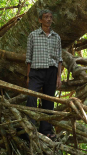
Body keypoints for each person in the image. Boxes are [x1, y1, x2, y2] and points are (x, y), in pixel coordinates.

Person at [25, 9, 62, 139]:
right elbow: (28, 58)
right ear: (40, 20)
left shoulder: (56, 37)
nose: (49, 19)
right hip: (36, 71)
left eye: (50, 17)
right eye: (46, 17)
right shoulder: (33, 36)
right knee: (31, 97)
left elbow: (59, 59)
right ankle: (30, 126)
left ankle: (45, 130)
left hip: (51, 72)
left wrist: (59, 77)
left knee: (49, 101)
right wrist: (29, 76)